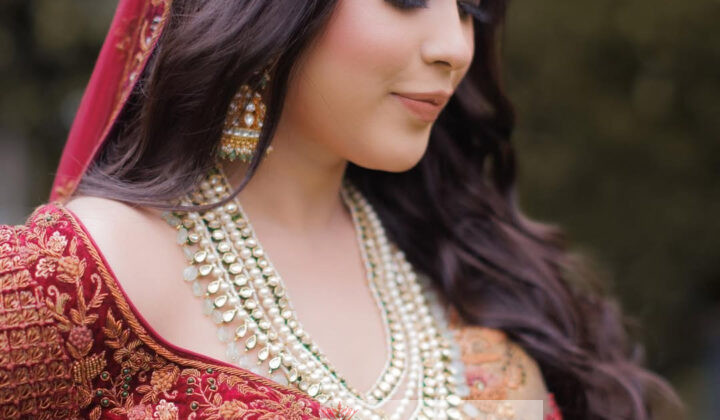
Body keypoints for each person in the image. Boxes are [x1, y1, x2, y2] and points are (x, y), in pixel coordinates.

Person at [0, 0, 682, 419]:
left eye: (470, 5)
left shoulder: (473, 286)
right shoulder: (87, 275)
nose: (454, 47)